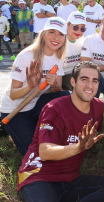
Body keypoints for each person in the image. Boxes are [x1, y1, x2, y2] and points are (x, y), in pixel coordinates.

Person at [17, 61, 104, 202]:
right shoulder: (54, 109)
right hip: (38, 177)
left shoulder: (98, 107)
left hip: (69, 180)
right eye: (84, 79)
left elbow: (91, 135)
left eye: (95, 81)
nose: (90, 85)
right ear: (73, 82)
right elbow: (45, 152)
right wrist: (78, 147)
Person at [0, 17, 70, 155]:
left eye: (61, 34)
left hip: (35, 104)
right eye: (52, 32)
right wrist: (30, 87)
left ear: (65, 38)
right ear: (43, 34)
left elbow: (58, 90)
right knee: (35, 152)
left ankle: (45, 126)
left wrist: (54, 84)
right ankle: (8, 126)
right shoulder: (26, 56)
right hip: (15, 110)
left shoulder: (58, 57)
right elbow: (13, 94)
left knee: (65, 96)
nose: (56, 37)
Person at [62, 11, 86, 90]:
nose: (79, 31)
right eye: (75, 27)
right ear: (67, 25)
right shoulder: (60, 40)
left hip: (76, 74)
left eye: (82, 28)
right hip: (61, 75)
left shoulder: (83, 40)